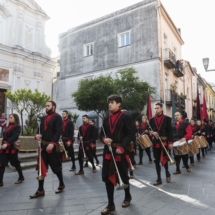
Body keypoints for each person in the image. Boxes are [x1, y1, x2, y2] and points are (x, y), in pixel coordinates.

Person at [100, 95, 134, 214]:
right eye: (109, 102)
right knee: (107, 178)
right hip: (108, 151)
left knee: (124, 176)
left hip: (121, 151)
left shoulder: (126, 117)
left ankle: (127, 197)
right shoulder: (106, 118)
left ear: (119, 104)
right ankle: (110, 204)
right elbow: (101, 134)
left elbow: (130, 134)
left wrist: (122, 146)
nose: (110, 104)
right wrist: (104, 139)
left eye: (112, 102)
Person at [30, 101, 64, 198]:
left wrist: (53, 143)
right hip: (43, 147)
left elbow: (58, 132)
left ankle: (61, 184)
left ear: (54, 106)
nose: (47, 107)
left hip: (52, 147)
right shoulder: (43, 118)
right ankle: (40, 190)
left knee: (56, 168)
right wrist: (36, 135)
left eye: (48, 106)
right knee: (41, 168)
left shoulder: (57, 117)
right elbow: (39, 129)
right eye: (46, 106)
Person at [149, 102, 173, 186]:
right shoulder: (151, 119)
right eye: (155, 108)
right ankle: (159, 178)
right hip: (155, 143)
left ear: (162, 109)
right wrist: (152, 133)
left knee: (165, 159)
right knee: (156, 161)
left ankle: (167, 174)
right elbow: (149, 130)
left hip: (165, 142)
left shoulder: (167, 119)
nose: (156, 109)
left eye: (158, 108)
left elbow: (170, 131)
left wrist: (170, 142)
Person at [0, 114, 24, 187]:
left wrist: (7, 143)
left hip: (11, 147)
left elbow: (14, 136)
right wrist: (2, 139)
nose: (9, 119)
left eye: (11, 118)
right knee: (2, 164)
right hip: (4, 147)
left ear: (15, 119)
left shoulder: (17, 127)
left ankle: (21, 177)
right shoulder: (8, 127)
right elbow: (6, 135)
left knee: (15, 163)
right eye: (9, 117)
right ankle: (0, 181)